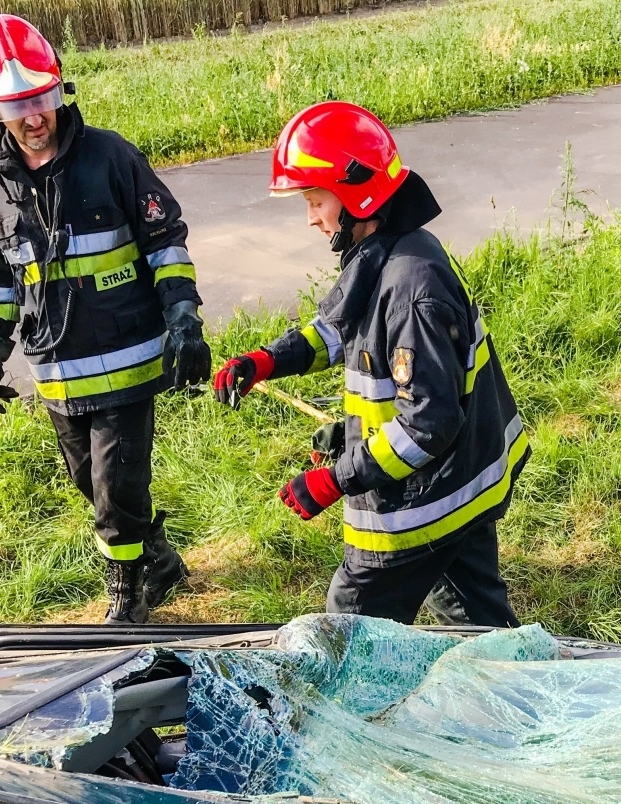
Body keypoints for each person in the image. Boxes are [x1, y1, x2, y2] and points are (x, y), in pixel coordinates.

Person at [212, 102, 529, 627]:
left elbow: (427, 426)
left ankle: (361, 710)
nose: (311, 218)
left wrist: (336, 479)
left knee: (352, 623)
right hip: (463, 485)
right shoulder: (387, 248)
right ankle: (514, 691)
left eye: (315, 201)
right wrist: (267, 360)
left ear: (356, 195)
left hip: (423, 501)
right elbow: (339, 330)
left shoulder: (411, 288)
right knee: (477, 623)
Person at [0, 10, 211, 623]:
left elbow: (165, 240)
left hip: (127, 359)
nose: (35, 117)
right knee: (90, 483)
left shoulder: (110, 157)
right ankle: (159, 558)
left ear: (60, 87)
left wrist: (184, 317)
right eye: (16, 106)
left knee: (115, 490)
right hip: (57, 370)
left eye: (42, 97)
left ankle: (127, 600)